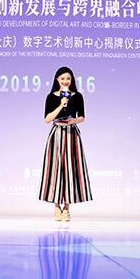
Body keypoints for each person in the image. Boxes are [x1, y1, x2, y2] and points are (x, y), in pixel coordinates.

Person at [39, 66, 92, 221]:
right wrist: (61, 105)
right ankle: (56, 207)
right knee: (55, 170)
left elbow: (82, 117)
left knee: (70, 170)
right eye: (62, 78)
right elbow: (47, 119)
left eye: (68, 78)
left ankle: (67, 208)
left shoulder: (78, 96)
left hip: (71, 134)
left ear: (72, 80)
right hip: (56, 133)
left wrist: (74, 120)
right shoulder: (51, 97)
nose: (65, 81)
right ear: (57, 80)